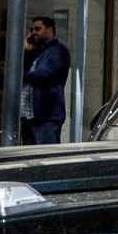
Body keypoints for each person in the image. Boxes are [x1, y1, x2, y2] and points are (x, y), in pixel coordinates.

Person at [20, 15, 70, 145]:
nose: (33, 33)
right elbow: (26, 68)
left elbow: (43, 74)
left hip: (46, 117)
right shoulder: (38, 51)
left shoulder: (58, 51)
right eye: (32, 29)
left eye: (38, 28)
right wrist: (27, 50)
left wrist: (18, 76)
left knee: (46, 155)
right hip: (30, 115)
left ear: (49, 30)